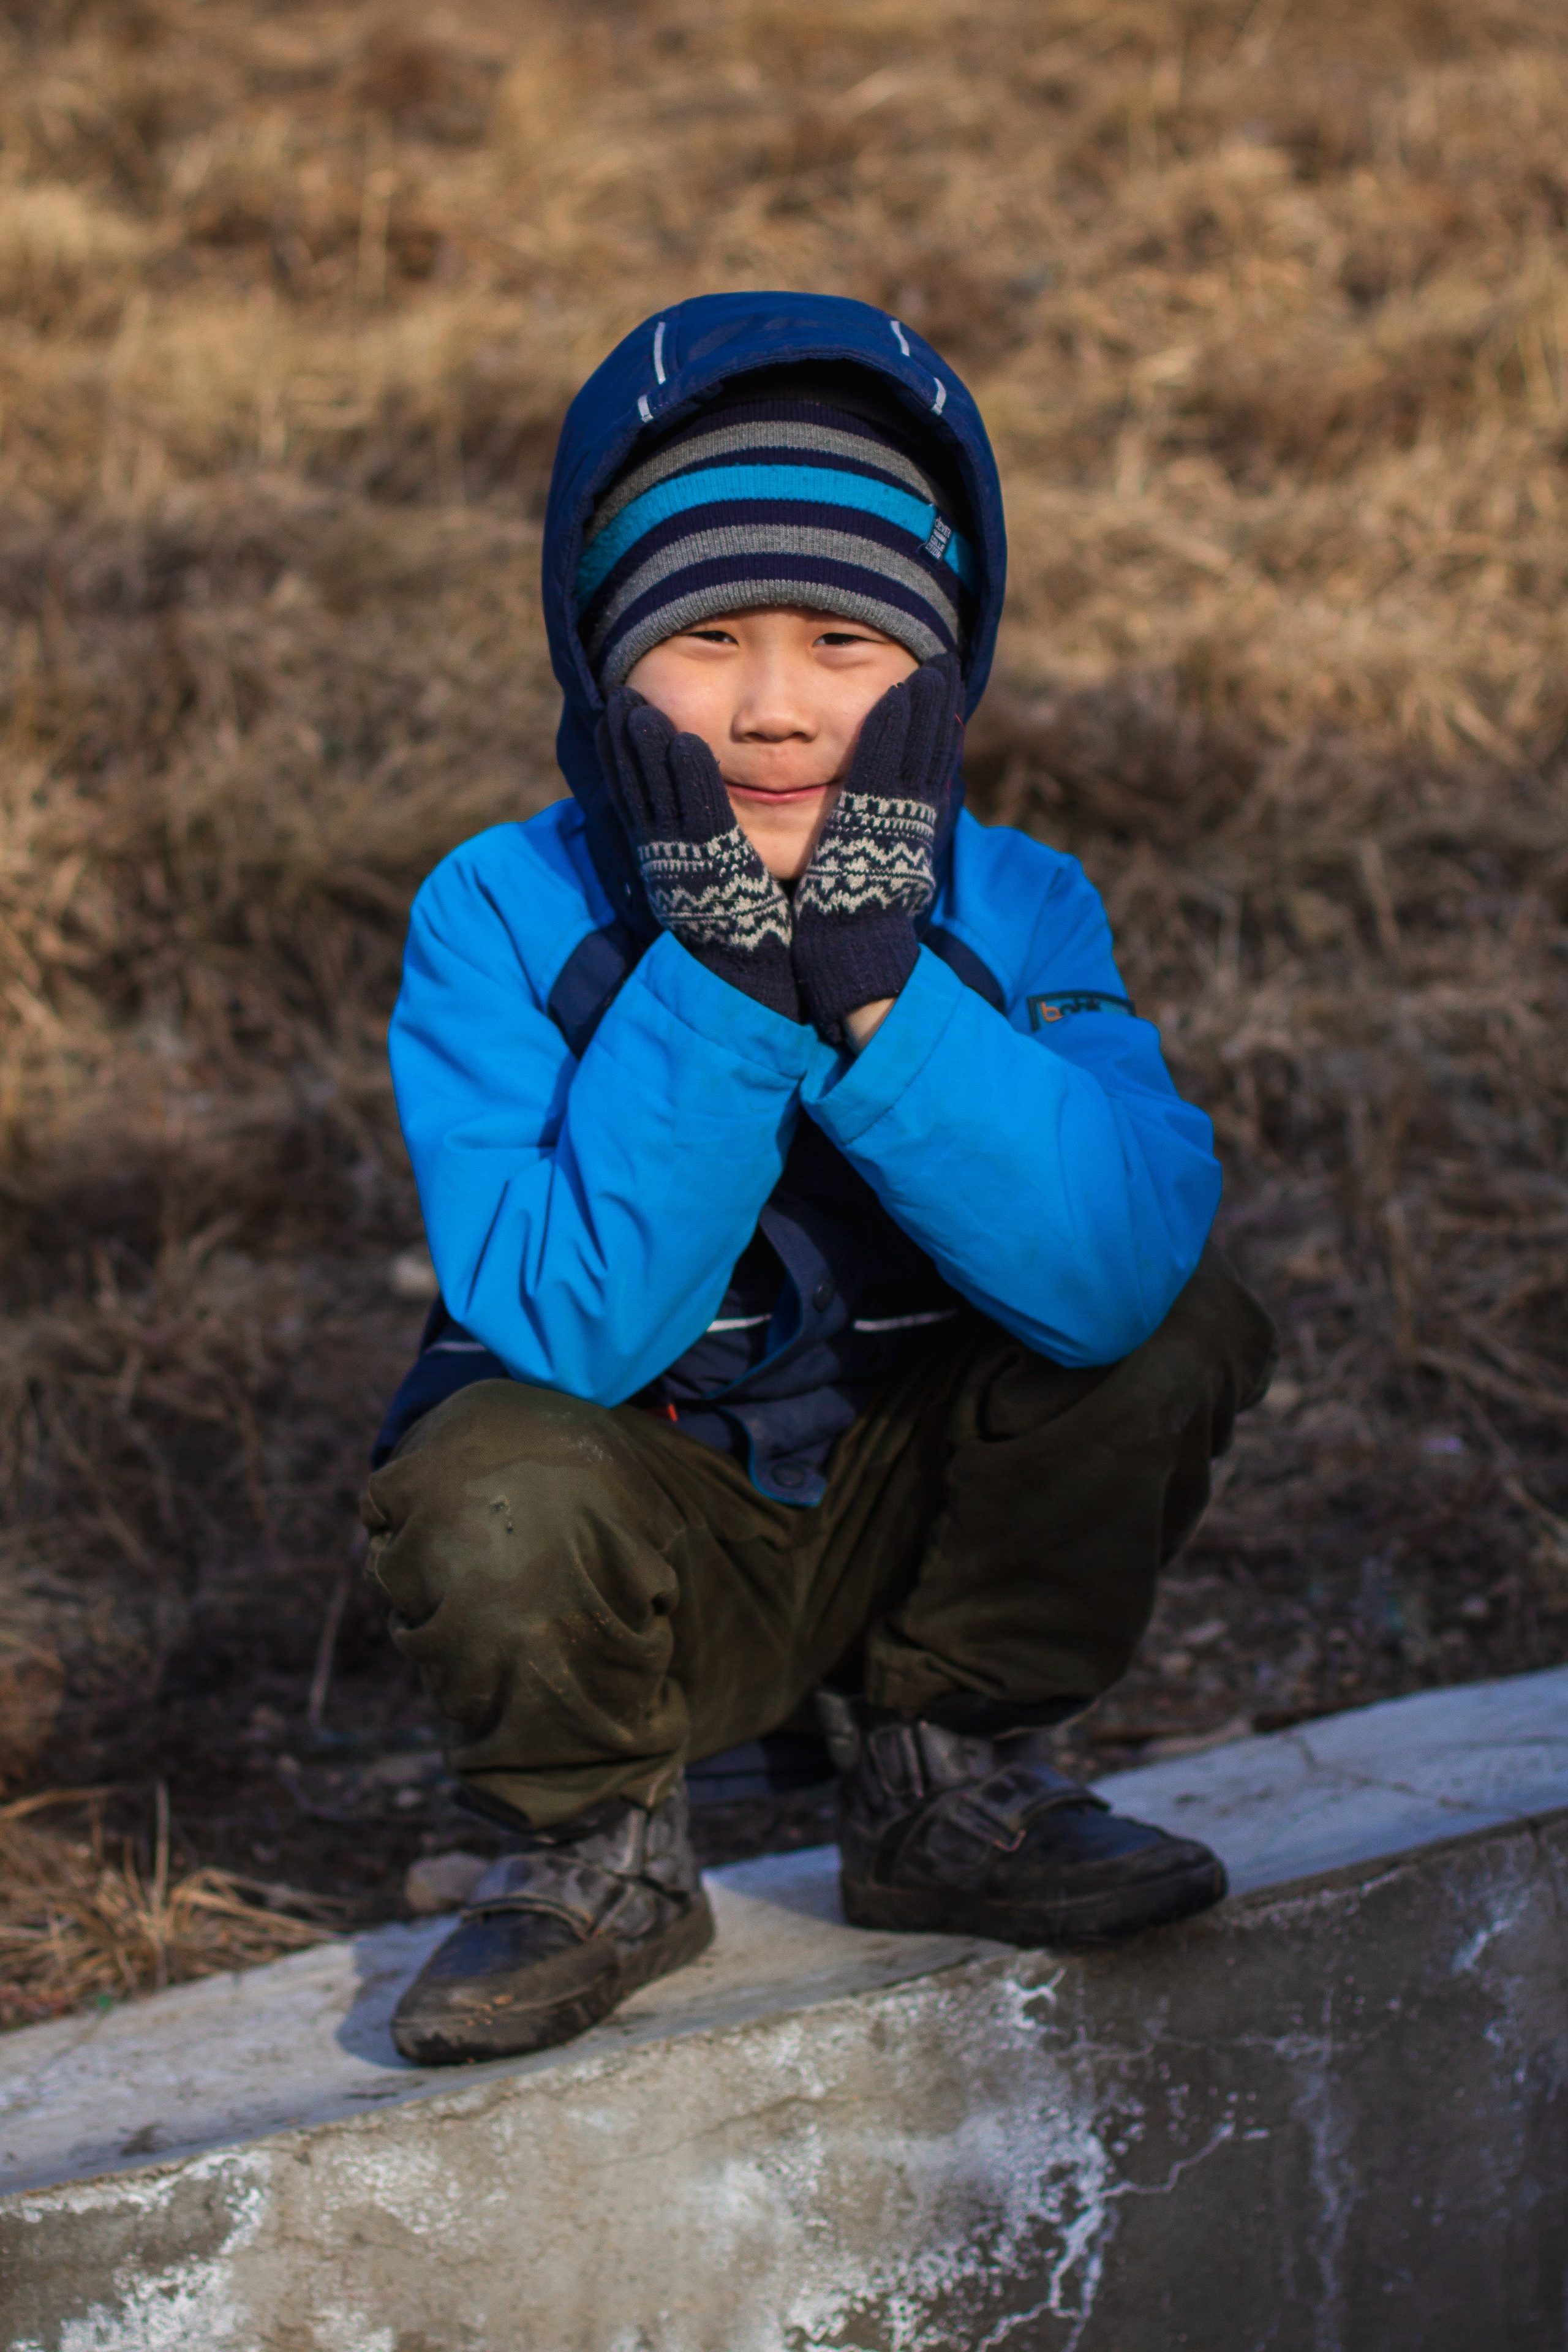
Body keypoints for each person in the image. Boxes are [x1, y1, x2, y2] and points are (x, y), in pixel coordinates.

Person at [362, 292, 1277, 2067]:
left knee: (1184, 1323)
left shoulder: (1017, 902)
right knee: (486, 1457)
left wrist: (872, 989)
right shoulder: (497, 911)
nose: (776, 712)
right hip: (657, 1552)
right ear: (600, 657)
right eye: (705, 638)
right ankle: (595, 1848)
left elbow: (1107, 1279)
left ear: (942, 670)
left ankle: (950, 1784)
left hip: (927, 1546)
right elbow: (579, 1324)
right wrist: (715, 975)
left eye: (848, 642)